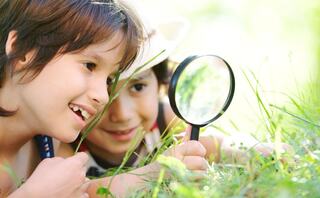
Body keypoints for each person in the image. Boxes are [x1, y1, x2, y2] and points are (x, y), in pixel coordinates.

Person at [58, 5, 293, 197]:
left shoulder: (166, 119)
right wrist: (156, 172)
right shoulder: (69, 143)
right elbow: (84, 192)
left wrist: (251, 150)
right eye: (107, 89)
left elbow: (214, 145)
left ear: (161, 86)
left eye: (138, 87)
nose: (122, 114)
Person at [0, 0, 144, 197]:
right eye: (89, 65)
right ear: (21, 51)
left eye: (109, 80)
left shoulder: (47, 141)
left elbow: (83, 191)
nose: (103, 96)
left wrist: (163, 171)